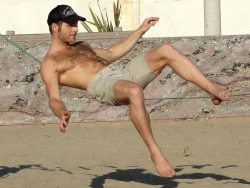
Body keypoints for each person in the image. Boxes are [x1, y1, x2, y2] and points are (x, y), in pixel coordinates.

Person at [41, 5, 231, 178]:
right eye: (70, 25)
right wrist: (62, 113)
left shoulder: (82, 46)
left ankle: (212, 90)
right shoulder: (50, 63)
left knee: (166, 50)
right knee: (134, 91)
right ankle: (155, 152)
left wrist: (140, 30)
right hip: (102, 85)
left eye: (76, 24)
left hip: (121, 73)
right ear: (55, 27)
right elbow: (54, 98)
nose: (75, 29)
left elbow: (112, 54)